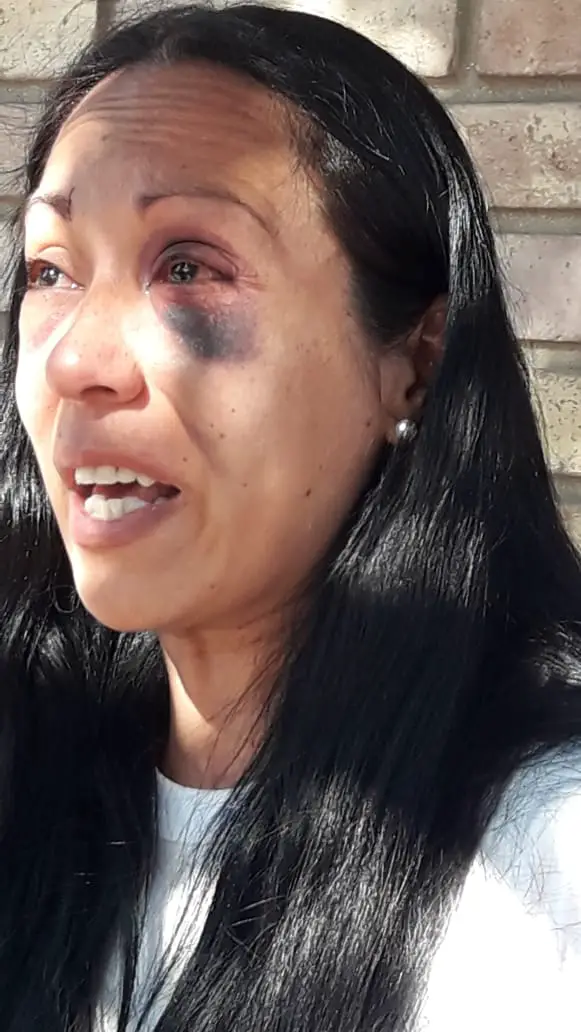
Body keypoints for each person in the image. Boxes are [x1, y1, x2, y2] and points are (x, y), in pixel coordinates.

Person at [1, 2, 580, 1029]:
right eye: (51, 270)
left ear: (414, 362)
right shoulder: (29, 782)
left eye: (187, 267)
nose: (74, 361)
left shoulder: (541, 877)